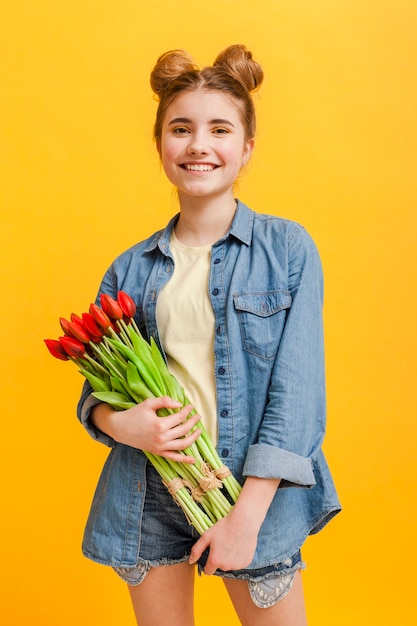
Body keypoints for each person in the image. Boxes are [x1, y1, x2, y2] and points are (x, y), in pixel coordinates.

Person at [77, 44, 341, 626]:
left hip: (251, 496)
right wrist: (123, 424)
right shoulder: (129, 269)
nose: (198, 144)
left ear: (246, 148)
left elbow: (297, 400)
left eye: (219, 128)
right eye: (181, 128)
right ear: (161, 146)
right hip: (150, 494)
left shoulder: (288, 250)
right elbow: (94, 394)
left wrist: (246, 518)